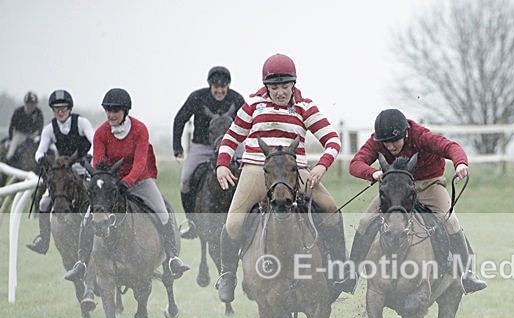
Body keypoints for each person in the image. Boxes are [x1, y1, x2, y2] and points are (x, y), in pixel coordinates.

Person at [214, 53, 346, 303]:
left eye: (285, 87)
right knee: (233, 223)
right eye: (274, 88)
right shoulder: (252, 104)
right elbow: (232, 137)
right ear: (266, 87)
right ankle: (228, 275)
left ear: (293, 84)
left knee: (331, 208)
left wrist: (321, 166)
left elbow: (332, 140)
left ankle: (340, 268)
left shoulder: (306, 106)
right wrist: (222, 165)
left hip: (294, 170)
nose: (280, 93)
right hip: (257, 167)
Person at [340, 108, 487, 294]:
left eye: (394, 141)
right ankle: (351, 275)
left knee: (451, 220)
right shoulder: (378, 141)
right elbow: (355, 164)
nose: (390, 147)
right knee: (365, 220)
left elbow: (450, 147)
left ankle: (467, 274)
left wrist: (460, 163)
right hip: (396, 189)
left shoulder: (421, 136)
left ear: (406, 133)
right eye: (385, 143)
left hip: (429, 185)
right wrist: (373, 173)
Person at [64, 88, 190, 282]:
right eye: (108, 110)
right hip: (111, 184)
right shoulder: (100, 133)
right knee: (88, 217)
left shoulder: (140, 130)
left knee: (163, 212)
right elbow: (98, 164)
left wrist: (127, 182)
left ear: (125, 112)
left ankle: (172, 257)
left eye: (115, 111)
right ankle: (81, 262)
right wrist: (111, 184)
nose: (111, 115)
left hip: (140, 180)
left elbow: (140, 164)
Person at [173, 66, 244, 239]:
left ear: (228, 86)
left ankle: (251, 219)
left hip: (233, 144)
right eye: (216, 87)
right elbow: (180, 118)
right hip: (202, 146)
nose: (219, 91)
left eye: (223, 88)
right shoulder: (197, 97)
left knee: (249, 173)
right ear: (210, 86)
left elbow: (250, 122)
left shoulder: (237, 99)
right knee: (185, 180)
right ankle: (192, 223)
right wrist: (177, 147)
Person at [26, 89, 95, 255]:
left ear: (69, 108)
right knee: (43, 203)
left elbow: (95, 142)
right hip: (63, 172)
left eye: (63, 108)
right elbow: (39, 152)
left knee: (97, 194)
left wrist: (89, 155)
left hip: (83, 167)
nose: (60, 111)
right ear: (53, 110)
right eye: (57, 109)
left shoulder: (81, 123)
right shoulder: (49, 128)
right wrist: (42, 159)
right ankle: (44, 241)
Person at [3, 91, 44, 165]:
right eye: (30, 104)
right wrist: (10, 138)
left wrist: (39, 135)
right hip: (20, 134)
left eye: (33, 104)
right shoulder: (18, 111)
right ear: (26, 103)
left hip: (33, 135)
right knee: (10, 152)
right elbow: (12, 125)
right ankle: (7, 165)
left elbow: (41, 125)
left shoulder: (38, 112)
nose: (31, 106)